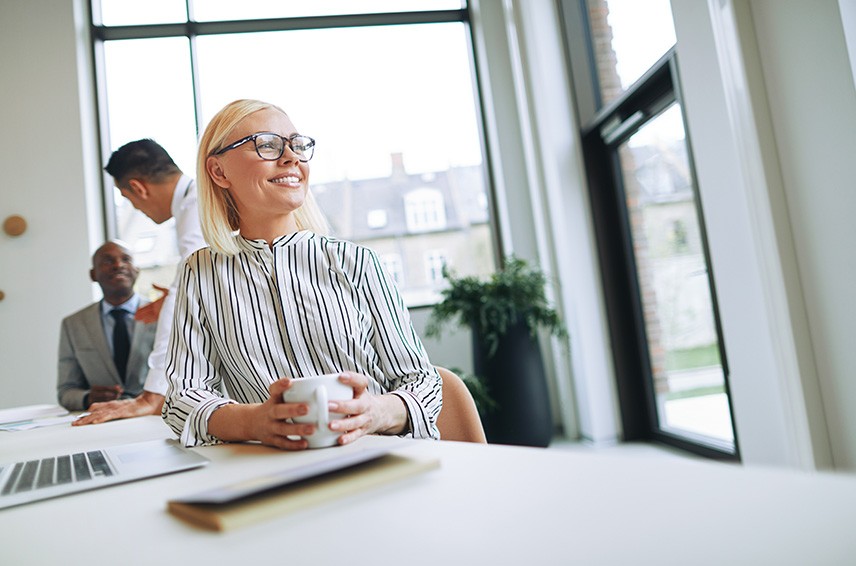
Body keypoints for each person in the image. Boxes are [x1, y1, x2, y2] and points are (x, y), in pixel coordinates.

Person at [163, 99, 442, 448]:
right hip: (273, 472)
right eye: (267, 145)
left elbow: (423, 383)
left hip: (377, 460)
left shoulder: (356, 262)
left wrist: (377, 412)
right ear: (219, 172)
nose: (292, 157)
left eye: (297, 145)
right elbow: (182, 399)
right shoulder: (200, 272)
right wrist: (253, 423)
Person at [73, 139, 205, 425]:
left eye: (127, 197)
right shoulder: (194, 203)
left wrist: (153, 395)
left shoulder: (196, 207)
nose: (135, 207)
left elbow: (188, 290)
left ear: (138, 188)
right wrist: (173, 299)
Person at [58, 241, 157, 410]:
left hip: (155, 416)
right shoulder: (73, 324)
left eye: (126, 259)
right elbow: (66, 391)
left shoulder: (162, 315)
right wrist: (87, 398)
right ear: (93, 274)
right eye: (107, 261)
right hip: (102, 421)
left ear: (137, 270)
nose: (118, 265)